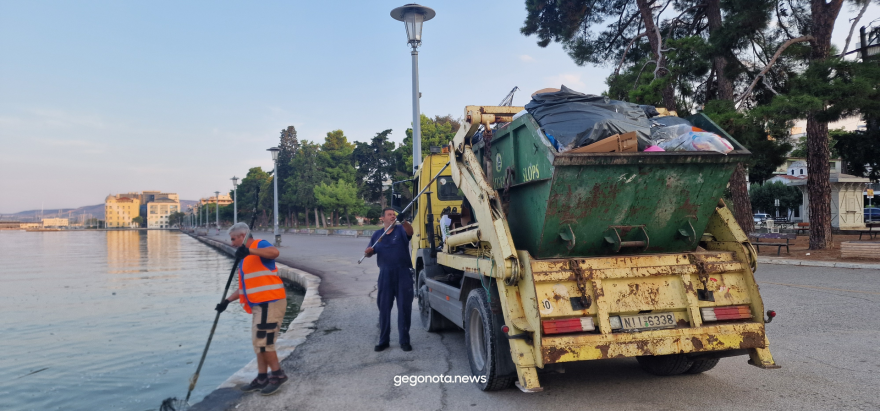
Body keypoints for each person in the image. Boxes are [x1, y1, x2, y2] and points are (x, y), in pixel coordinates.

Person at [214, 222, 289, 396]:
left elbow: (275, 253)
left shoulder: (258, 245)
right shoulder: (245, 259)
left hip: (270, 302)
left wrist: (250, 251)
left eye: (234, 239)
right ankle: (262, 378)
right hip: (259, 305)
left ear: (243, 236)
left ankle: (277, 375)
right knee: (259, 343)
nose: (232, 243)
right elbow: (245, 287)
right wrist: (226, 301)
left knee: (264, 342)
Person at [364, 208, 414, 352]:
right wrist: (368, 253)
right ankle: (383, 340)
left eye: (394, 215)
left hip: (403, 273)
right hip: (385, 274)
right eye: (389, 215)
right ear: (383, 218)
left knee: (404, 308)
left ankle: (404, 340)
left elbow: (410, 233)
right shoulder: (377, 235)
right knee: (384, 308)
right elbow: (370, 252)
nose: (392, 216)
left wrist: (404, 220)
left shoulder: (401, 230)